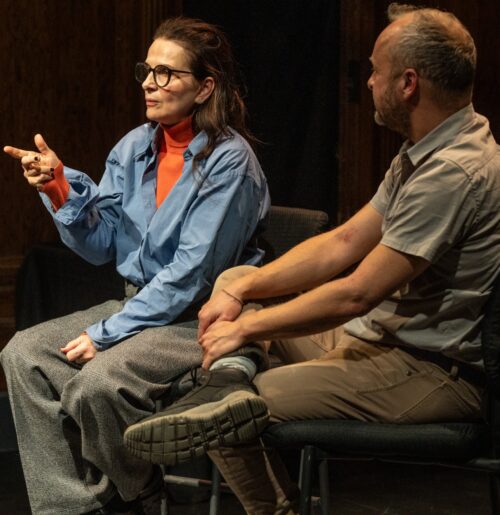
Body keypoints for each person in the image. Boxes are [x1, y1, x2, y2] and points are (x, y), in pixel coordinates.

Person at [125, 4, 500, 514]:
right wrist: (241, 288)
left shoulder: (453, 171)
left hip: (427, 371)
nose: (369, 82)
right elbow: (343, 242)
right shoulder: (425, 150)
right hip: (374, 339)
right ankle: (228, 378)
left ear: (408, 84)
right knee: (241, 286)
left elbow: (357, 293)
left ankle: (263, 482)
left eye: (375, 71)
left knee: (222, 410)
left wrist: (244, 331)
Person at [0, 16, 270, 515]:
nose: (149, 82)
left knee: (97, 383)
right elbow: (102, 245)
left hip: (199, 319)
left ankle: (136, 495)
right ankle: (71, 507)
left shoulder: (229, 161)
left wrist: (106, 334)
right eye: (147, 70)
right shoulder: (133, 147)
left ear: (204, 87)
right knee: (24, 355)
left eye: (166, 73)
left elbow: (192, 276)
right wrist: (58, 186)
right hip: (140, 307)